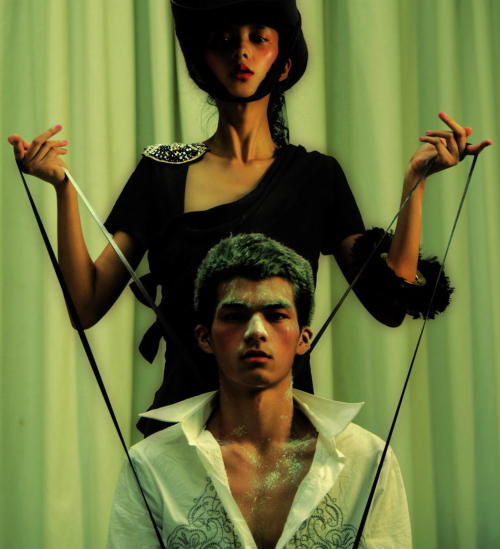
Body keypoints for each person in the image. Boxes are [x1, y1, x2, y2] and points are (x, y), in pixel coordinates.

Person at [7, 0, 492, 437]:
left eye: (258, 38)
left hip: (281, 434)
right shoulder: (162, 172)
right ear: (202, 59)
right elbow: (86, 305)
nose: (241, 51)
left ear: (284, 62)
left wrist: (416, 184)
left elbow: (388, 304)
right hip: (181, 436)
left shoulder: (315, 177)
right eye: (224, 39)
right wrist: (63, 189)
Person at [107, 233, 412, 548]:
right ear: (204, 337)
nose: (256, 331)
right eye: (235, 317)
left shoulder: (367, 460)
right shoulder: (150, 466)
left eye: (276, 315)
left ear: (303, 338)